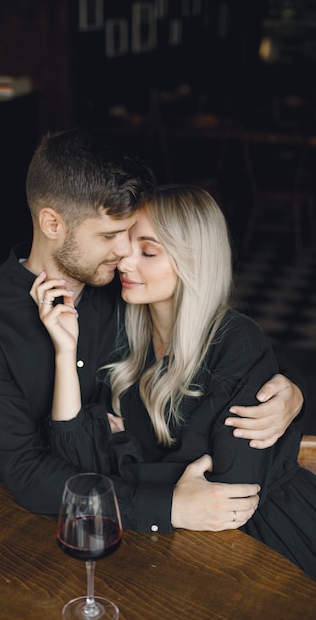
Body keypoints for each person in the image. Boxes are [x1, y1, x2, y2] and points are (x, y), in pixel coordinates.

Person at [0, 127, 304, 533]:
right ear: (51, 223)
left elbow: (212, 343)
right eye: (111, 236)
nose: (124, 253)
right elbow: (26, 473)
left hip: (108, 513)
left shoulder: (123, 295)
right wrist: (165, 508)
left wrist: (289, 392)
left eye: (132, 237)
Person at [33, 184, 316, 579]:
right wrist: (65, 354)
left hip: (267, 531)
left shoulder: (236, 340)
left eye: (148, 252)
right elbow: (75, 462)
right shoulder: (121, 331)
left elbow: (229, 493)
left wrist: (119, 455)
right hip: (167, 538)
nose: (125, 262)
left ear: (193, 261)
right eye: (126, 246)